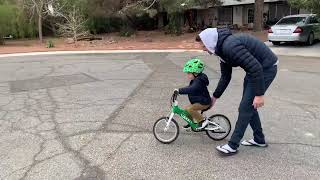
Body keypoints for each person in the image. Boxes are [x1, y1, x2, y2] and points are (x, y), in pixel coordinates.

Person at [196, 28, 278, 155]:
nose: (203, 49)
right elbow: (225, 76)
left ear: (210, 41)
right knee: (249, 107)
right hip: (254, 72)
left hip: (265, 69)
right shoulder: (221, 50)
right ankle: (259, 139)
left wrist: (259, 94)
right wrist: (215, 97)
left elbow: (256, 68)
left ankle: (233, 145)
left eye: (203, 46)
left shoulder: (230, 46)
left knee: (245, 108)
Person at [175, 58, 212, 130]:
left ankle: (202, 121)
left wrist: (179, 90)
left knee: (190, 109)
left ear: (195, 73)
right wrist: (179, 91)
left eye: (189, 73)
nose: (187, 75)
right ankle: (191, 123)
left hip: (204, 102)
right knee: (186, 110)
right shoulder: (196, 79)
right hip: (200, 100)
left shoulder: (199, 81)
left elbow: (192, 89)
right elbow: (190, 88)